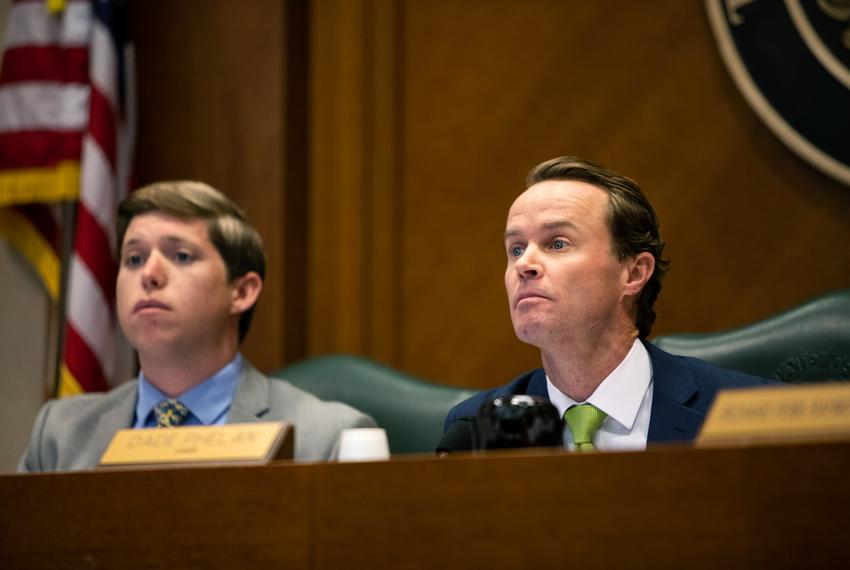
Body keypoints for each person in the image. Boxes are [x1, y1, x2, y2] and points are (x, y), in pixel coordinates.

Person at [20, 181, 375, 472]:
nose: (149, 274)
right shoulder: (60, 437)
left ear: (241, 292)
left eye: (181, 256)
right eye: (134, 258)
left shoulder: (330, 439)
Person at [439, 157, 776, 452]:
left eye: (557, 243)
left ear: (634, 272)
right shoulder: (473, 430)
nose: (524, 264)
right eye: (515, 248)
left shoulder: (746, 414)